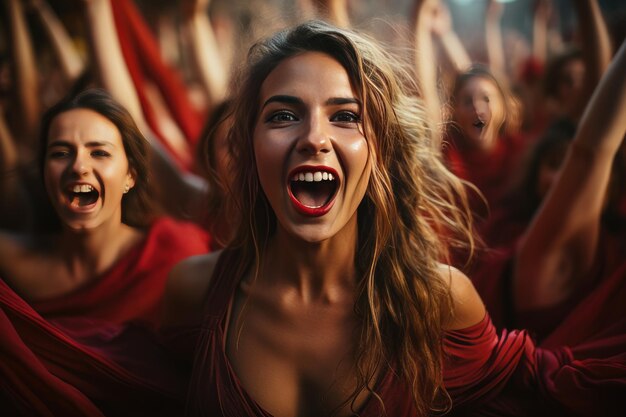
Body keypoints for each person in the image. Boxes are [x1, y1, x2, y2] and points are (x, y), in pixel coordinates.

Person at [162, 20, 544, 416]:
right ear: (249, 147)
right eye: (282, 116)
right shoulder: (195, 291)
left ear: (380, 149)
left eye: (345, 116)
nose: (314, 137)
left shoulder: (440, 302)